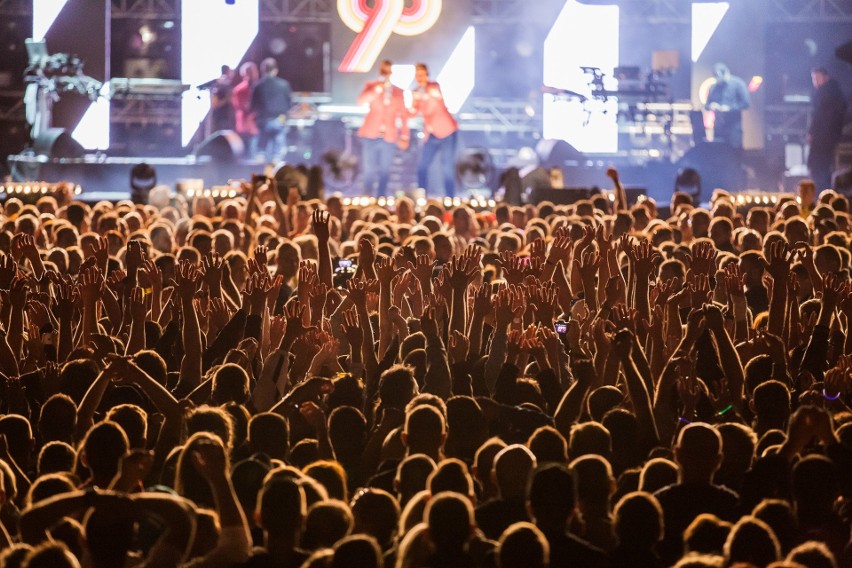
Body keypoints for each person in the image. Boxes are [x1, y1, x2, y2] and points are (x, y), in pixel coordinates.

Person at [356, 60, 410, 197]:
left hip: (389, 136)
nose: (386, 74)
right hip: (371, 135)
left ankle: (381, 198)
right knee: (369, 169)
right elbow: (361, 100)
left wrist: (404, 136)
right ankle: (366, 197)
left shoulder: (398, 91)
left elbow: (404, 115)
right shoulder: (372, 86)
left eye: (388, 71)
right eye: (383, 71)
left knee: (385, 169)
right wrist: (377, 89)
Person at [411, 62, 459, 197]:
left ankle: (450, 198)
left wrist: (422, 95)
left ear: (427, 75)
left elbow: (437, 98)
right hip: (431, 134)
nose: (419, 77)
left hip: (447, 132)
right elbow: (414, 112)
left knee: (447, 167)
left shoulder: (433, 86)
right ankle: (421, 196)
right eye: (417, 75)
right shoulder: (416, 92)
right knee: (422, 166)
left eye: (422, 74)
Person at [807, 67, 848, 191]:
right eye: (814, 79)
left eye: (817, 78)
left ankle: (820, 193)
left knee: (818, 167)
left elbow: (818, 116)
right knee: (824, 166)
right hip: (830, 135)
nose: (815, 81)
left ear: (825, 77)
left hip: (823, 137)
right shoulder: (837, 92)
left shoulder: (824, 93)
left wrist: (812, 133)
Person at [251, 57, 292, 162]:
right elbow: (289, 103)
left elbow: (252, 105)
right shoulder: (284, 85)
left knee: (261, 149)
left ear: (263, 70)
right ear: (275, 70)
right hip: (280, 119)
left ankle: (260, 173)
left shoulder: (257, 86)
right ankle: (277, 170)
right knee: (278, 152)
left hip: (263, 120)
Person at [706, 63, 750, 149]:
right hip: (719, 127)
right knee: (719, 153)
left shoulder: (738, 84)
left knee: (734, 153)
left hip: (733, 127)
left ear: (727, 73)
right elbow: (707, 105)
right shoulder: (714, 87)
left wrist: (730, 108)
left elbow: (746, 103)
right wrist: (711, 106)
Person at [232, 61, 260, 159]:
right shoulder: (240, 90)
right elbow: (241, 107)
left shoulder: (257, 87)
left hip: (253, 127)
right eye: (251, 72)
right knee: (246, 156)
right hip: (245, 126)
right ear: (245, 74)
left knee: (252, 155)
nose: (255, 74)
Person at [210, 64, 236, 132]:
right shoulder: (221, 85)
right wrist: (226, 99)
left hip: (226, 117)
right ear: (227, 71)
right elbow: (215, 103)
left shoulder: (223, 84)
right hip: (222, 118)